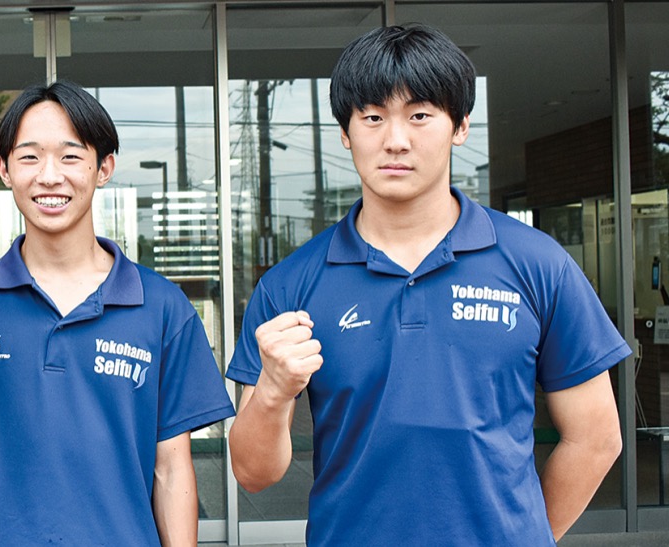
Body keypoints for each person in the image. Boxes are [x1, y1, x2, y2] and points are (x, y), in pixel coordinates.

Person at [226, 24, 629, 545]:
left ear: (460, 125)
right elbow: (253, 474)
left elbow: (596, 439)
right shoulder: (290, 285)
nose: (395, 140)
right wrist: (273, 392)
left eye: (419, 115)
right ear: (346, 132)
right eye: (373, 117)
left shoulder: (538, 264)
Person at [0, 80, 235, 546]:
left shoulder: (160, 306)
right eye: (29, 157)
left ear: (104, 168)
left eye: (71, 156)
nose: (50, 176)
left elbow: (171, 468)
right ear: (4, 169)